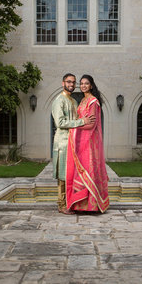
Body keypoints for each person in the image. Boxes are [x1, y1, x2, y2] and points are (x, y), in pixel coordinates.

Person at [66, 74, 110, 213]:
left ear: (91, 85)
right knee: (80, 173)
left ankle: (92, 206)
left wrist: (72, 128)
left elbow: (91, 125)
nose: (83, 85)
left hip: (89, 144)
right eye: (82, 83)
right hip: (82, 142)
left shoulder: (93, 102)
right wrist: (79, 124)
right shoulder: (83, 101)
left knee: (87, 171)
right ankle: (80, 205)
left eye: (86, 83)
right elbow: (83, 121)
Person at [51, 73, 93, 214]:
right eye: (69, 82)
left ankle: (72, 202)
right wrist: (82, 121)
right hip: (62, 143)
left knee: (72, 175)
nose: (72, 84)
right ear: (63, 83)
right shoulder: (59, 100)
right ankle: (61, 204)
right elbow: (60, 123)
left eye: (74, 82)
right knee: (63, 175)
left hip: (73, 142)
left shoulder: (74, 101)